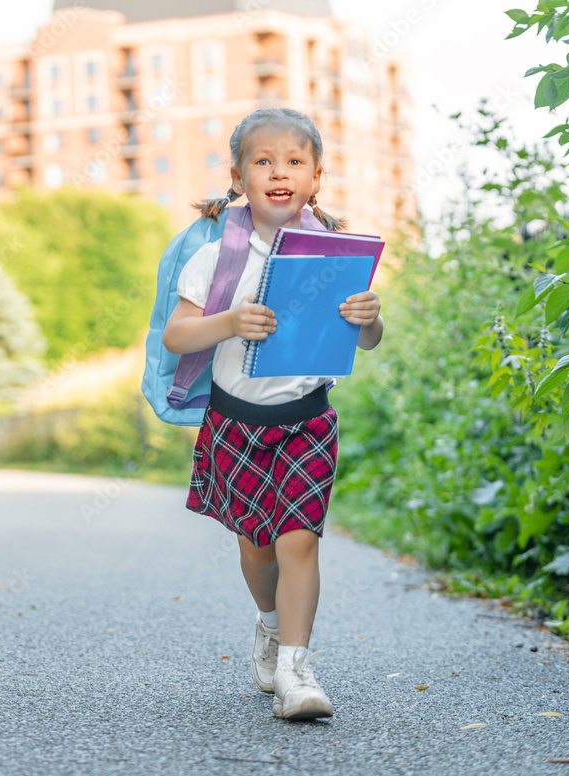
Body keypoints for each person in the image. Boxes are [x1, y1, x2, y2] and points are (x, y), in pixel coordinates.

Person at [162, 107, 383, 720]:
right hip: (235, 424)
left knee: (298, 542)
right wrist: (229, 321)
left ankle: (296, 668)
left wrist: (370, 319)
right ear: (238, 177)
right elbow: (177, 337)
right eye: (263, 161)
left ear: (316, 177)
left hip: (306, 422)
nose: (278, 171)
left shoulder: (334, 255)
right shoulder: (216, 258)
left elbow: (363, 342)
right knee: (256, 547)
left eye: (293, 161)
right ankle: (267, 623)